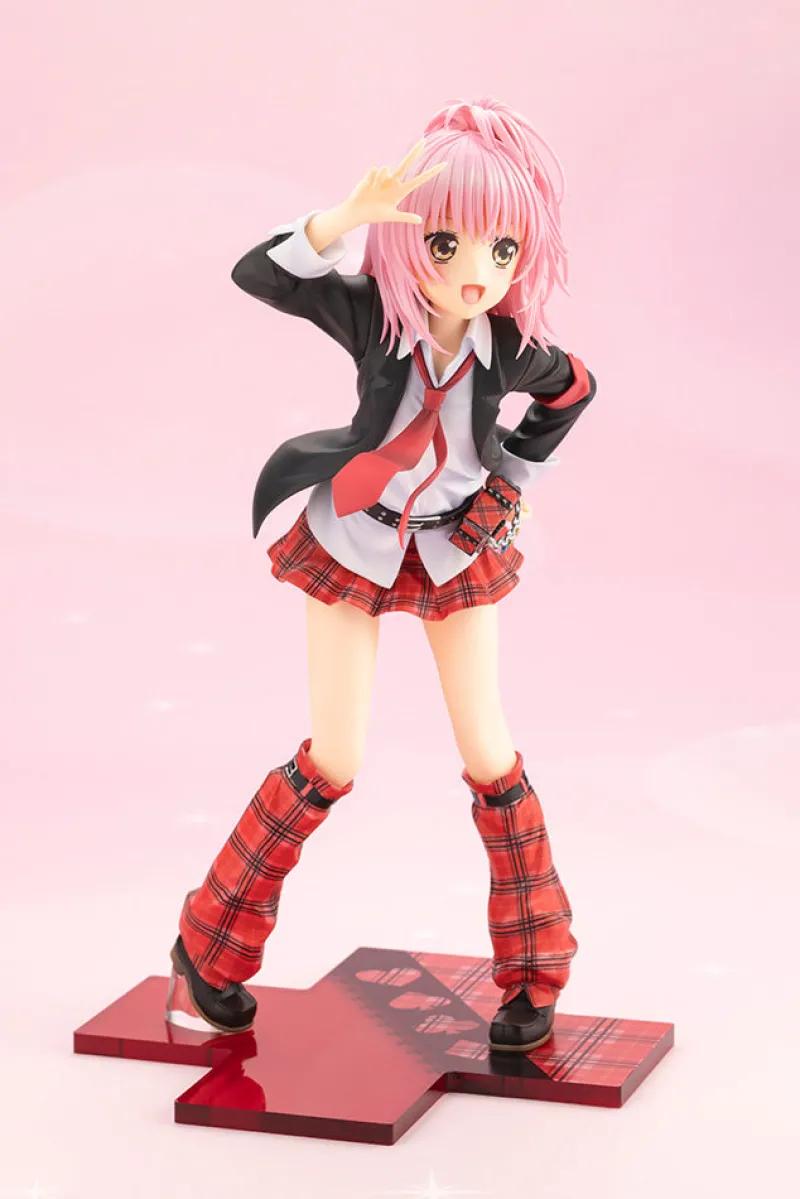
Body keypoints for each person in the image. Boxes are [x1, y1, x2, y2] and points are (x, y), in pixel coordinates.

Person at [166, 97, 597, 1053]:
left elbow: (574, 391)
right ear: (412, 244)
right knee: (335, 756)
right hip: (354, 538)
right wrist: (342, 221)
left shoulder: (508, 348)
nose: (477, 271)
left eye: (502, 249)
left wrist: (510, 483)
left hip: (453, 546)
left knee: (492, 756)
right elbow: (260, 274)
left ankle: (535, 975)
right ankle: (208, 946)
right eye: (447, 244)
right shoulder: (375, 315)